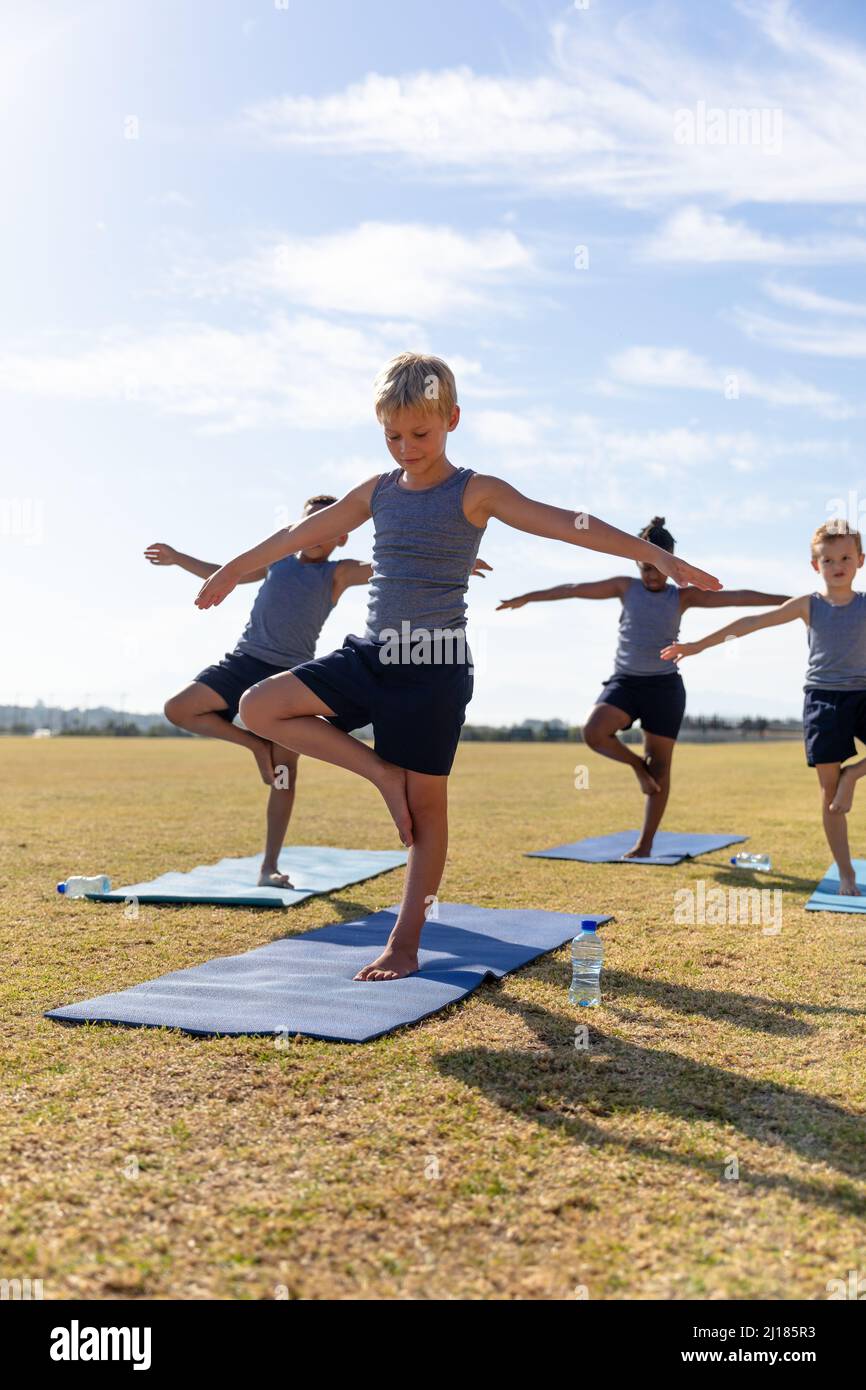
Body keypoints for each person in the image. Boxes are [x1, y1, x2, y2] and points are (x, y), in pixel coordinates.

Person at [195, 353, 720, 978]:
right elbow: (296, 533)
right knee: (260, 706)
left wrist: (663, 561)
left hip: (434, 666)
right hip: (373, 653)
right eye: (393, 435)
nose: (406, 447)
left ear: (452, 419)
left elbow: (571, 526)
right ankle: (380, 775)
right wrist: (230, 568)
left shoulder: (476, 491)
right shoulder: (377, 492)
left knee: (428, 812)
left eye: (420, 433)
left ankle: (405, 942)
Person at [497, 517, 788, 857]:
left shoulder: (682, 597)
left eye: (658, 568)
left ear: (672, 564)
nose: (652, 575)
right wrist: (528, 597)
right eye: (645, 567)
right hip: (626, 683)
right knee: (594, 732)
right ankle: (638, 767)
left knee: (661, 768)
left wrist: (796, 600)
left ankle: (645, 844)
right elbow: (572, 589)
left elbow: (739, 598)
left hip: (664, 688)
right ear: (636, 562)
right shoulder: (625, 588)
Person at [145, 494, 370, 888]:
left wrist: (452, 564)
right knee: (179, 708)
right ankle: (255, 745)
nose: (317, 532)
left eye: (328, 526)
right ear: (298, 529)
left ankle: (269, 866)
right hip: (244, 661)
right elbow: (226, 571)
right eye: (310, 523)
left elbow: (385, 568)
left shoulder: (338, 573)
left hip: (289, 678)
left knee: (284, 776)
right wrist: (179, 557)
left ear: (341, 537)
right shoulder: (276, 561)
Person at [662, 521, 866, 896]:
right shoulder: (810, 605)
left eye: (846, 558)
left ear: (860, 560)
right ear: (814, 565)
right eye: (828, 559)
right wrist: (697, 646)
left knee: (843, 781)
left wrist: (853, 776)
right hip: (823, 698)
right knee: (828, 793)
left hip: (863, 695)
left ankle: (853, 777)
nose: (838, 565)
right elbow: (752, 622)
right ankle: (846, 872)